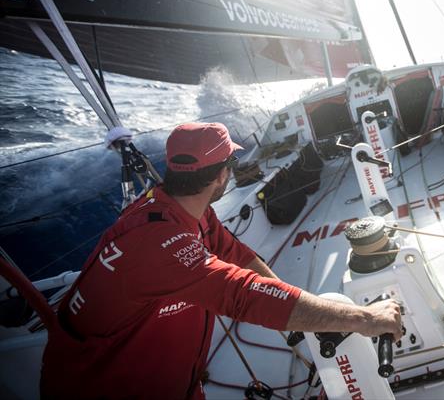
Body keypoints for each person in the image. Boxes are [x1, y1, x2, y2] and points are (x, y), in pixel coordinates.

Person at [40, 122, 402, 399]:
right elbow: (243, 294)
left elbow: (239, 258)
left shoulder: (184, 209)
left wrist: (296, 318)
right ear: (221, 175)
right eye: (232, 161)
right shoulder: (158, 242)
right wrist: (364, 318)